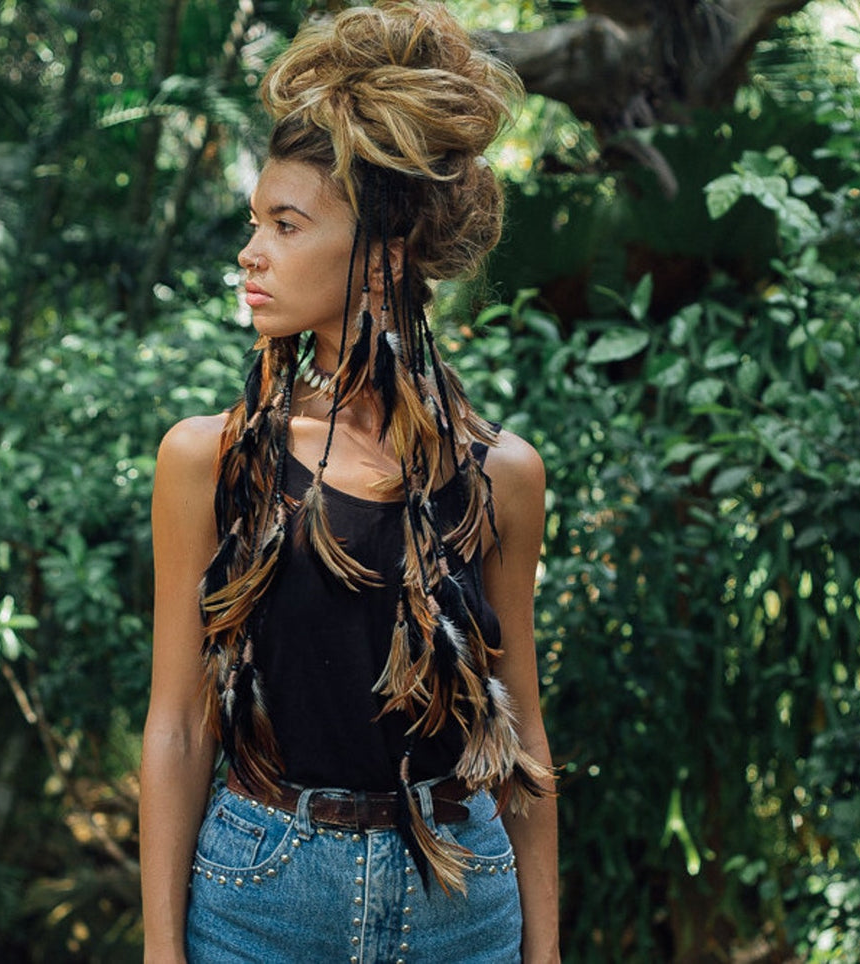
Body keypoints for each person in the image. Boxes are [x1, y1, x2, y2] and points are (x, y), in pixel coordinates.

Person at [140, 3, 558, 961]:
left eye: (285, 225)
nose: (250, 251)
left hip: (462, 901)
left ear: (387, 250)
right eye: (255, 222)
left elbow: (521, 734)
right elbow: (175, 725)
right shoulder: (209, 460)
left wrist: (545, 951)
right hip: (261, 898)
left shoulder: (501, 476)